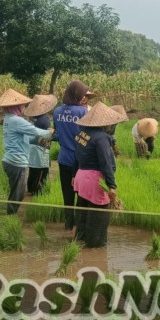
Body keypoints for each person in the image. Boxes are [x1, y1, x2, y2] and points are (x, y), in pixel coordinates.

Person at [73, 102, 127, 248]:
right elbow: (105, 163)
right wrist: (112, 185)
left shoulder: (81, 133)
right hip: (95, 181)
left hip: (81, 177)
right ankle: (94, 248)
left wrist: (74, 174)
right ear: (105, 122)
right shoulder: (101, 138)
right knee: (99, 218)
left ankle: (79, 243)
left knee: (83, 214)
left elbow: (76, 156)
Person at [0, 89, 53, 215]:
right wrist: (51, 132)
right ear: (16, 106)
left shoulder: (9, 118)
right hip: (16, 162)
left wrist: (38, 141)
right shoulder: (16, 120)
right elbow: (35, 131)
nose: (23, 106)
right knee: (18, 194)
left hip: (10, 160)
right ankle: (10, 217)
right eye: (22, 104)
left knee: (16, 191)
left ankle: (11, 214)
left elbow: (26, 137)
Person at [53, 80, 94, 231]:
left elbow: (57, 134)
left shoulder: (57, 112)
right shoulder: (83, 112)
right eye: (82, 93)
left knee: (67, 194)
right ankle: (78, 228)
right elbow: (87, 134)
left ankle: (68, 225)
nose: (84, 96)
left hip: (64, 159)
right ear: (77, 94)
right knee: (80, 194)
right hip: (80, 160)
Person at [22, 94, 58, 196]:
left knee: (33, 170)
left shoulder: (33, 119)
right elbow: (48, 134)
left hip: (32, 147)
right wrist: (54, 133)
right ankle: (37, 191)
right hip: (41, 149)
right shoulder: (44, 119)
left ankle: (30, 188)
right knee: (42, 171)